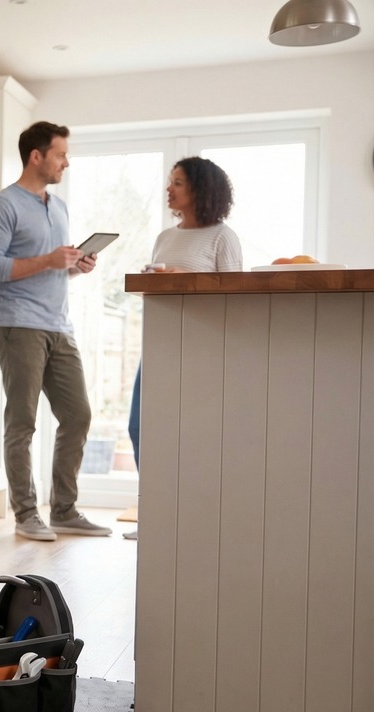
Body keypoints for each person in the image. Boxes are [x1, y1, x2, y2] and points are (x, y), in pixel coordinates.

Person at [0, 121, 112, 542]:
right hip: (19, 325)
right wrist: (50, 260)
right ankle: (26, 513)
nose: (66, 162)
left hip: (59, 325)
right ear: (36, 156)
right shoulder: (3, 205)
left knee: (78, 415)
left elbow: (50, 268)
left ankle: (65, 510)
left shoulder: (60, 206)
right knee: (23, 423)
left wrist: (74, 266)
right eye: (60, 155)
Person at [123, 156, 241, 540]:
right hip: (157, 347)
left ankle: (194, 519)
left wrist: (187, 278)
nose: (169, 189)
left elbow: (235, 298)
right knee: (140, 428)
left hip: (203, 351)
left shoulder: (223, 237)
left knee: (194, 437)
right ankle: (155, 514)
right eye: (170, 181)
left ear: (201, 189)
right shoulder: (165, 238)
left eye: (178, 182)